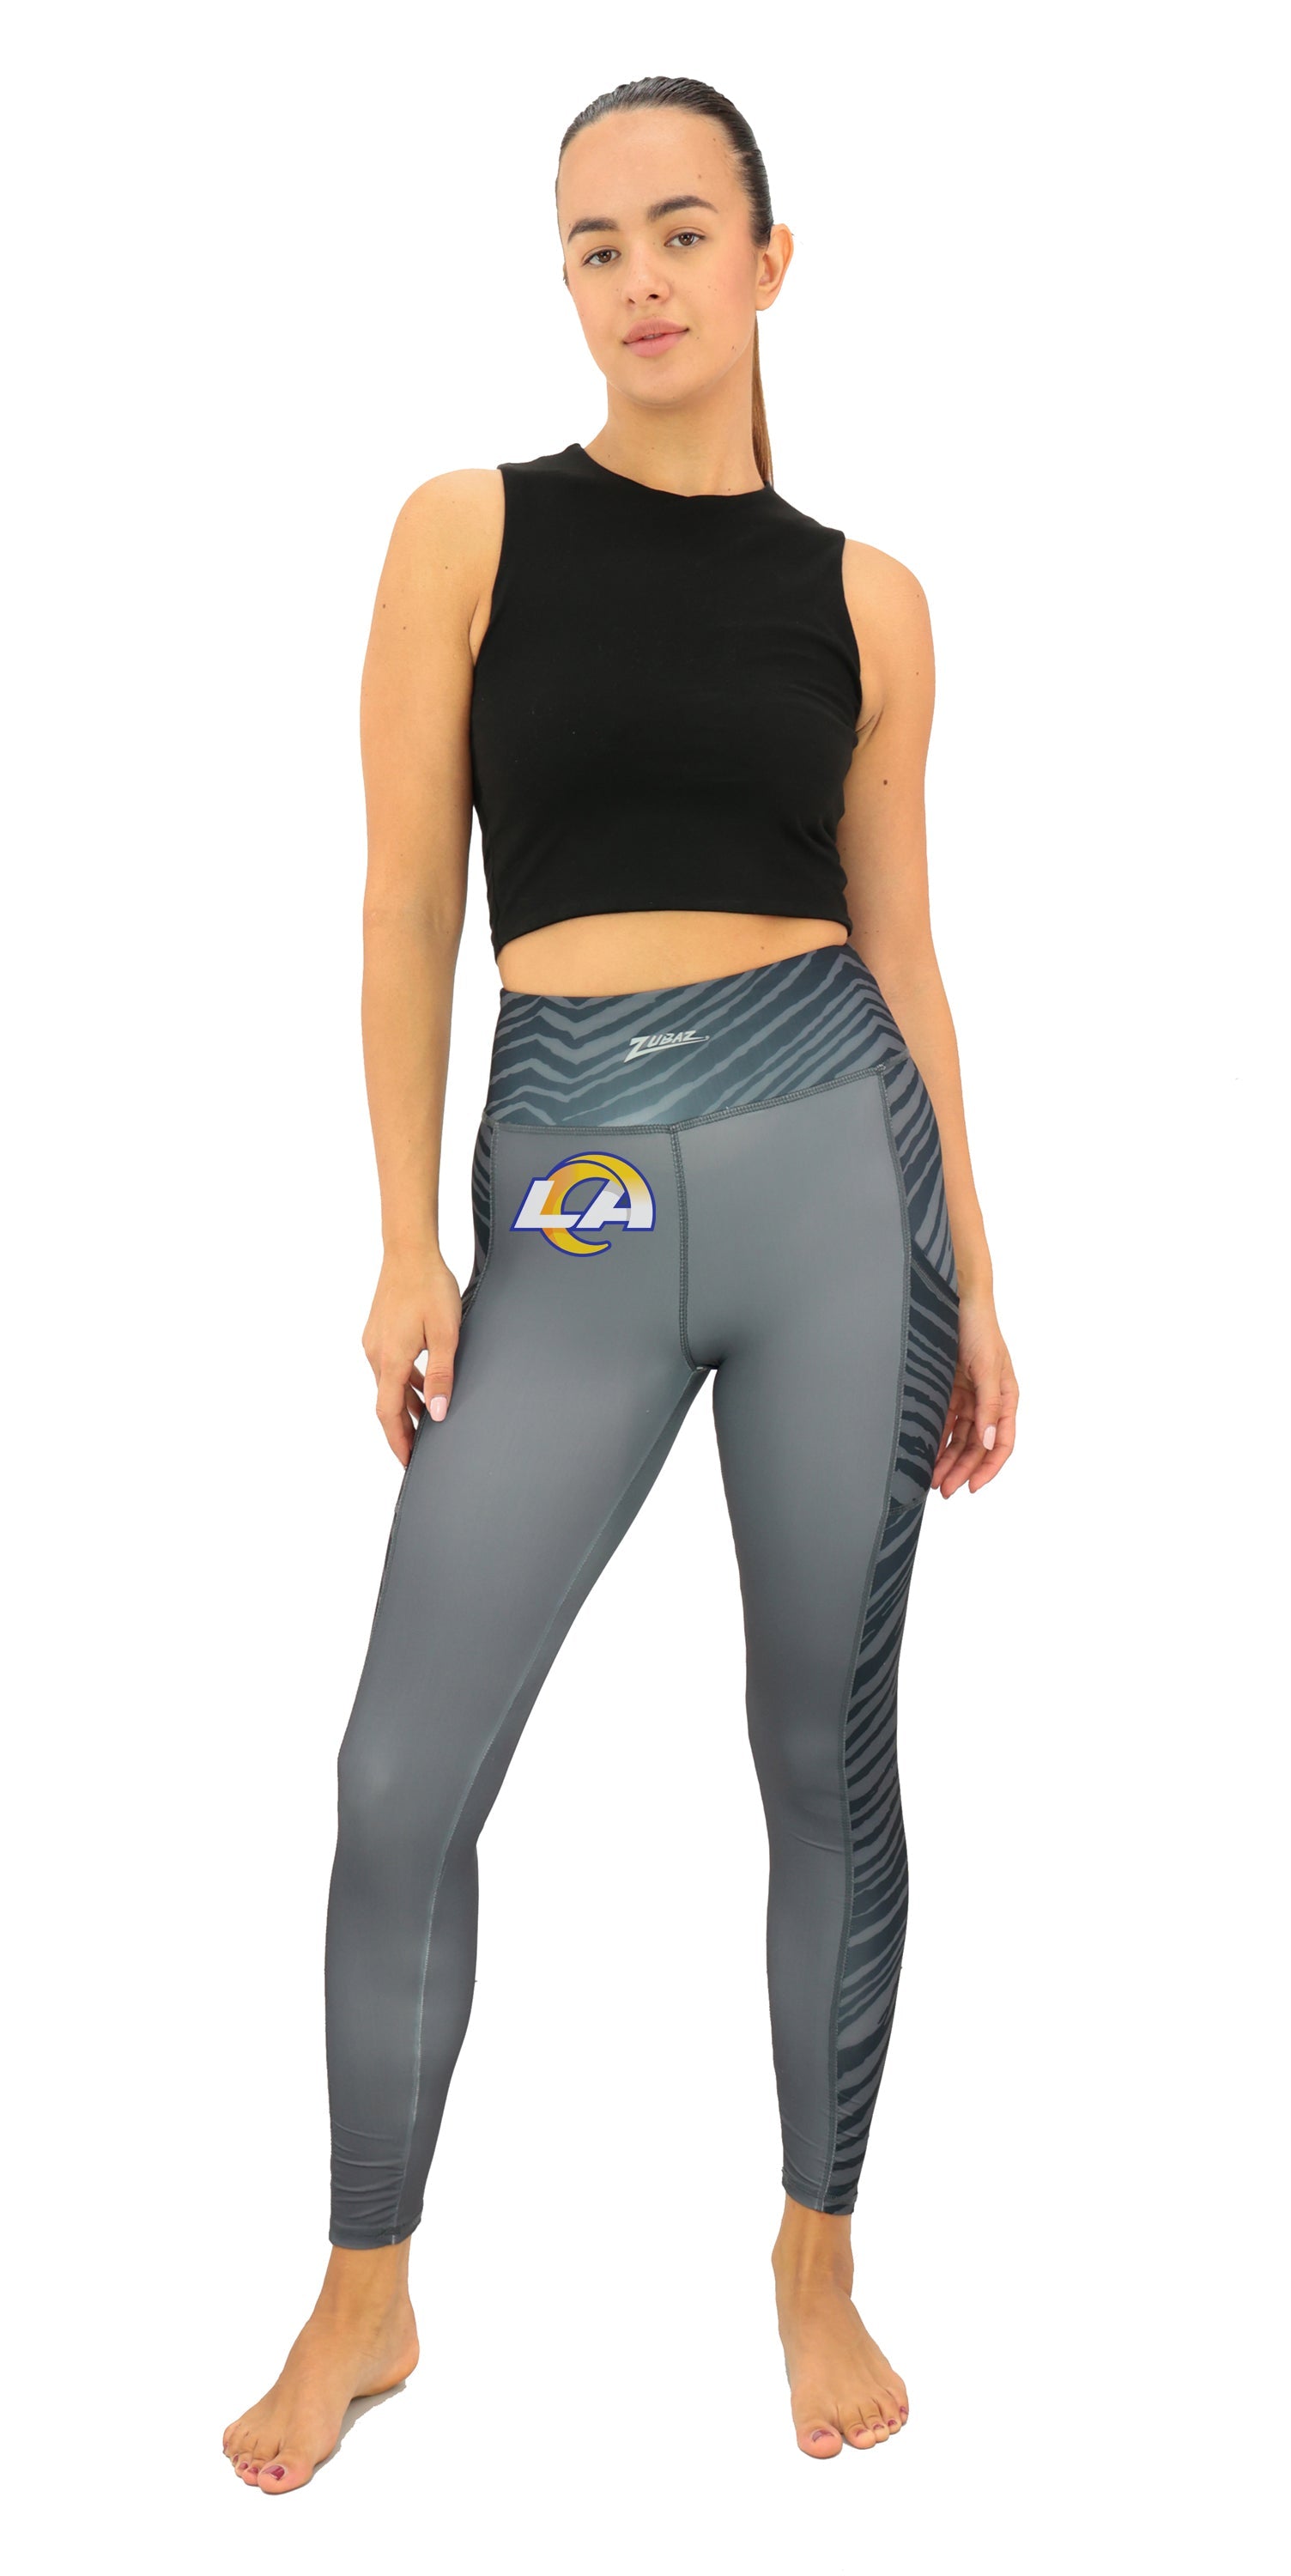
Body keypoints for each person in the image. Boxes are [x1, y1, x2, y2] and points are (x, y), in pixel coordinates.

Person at [223, 74, 1018, 2493]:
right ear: (564, 282)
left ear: (772, 261)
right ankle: (368, 2283)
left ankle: (816, 2250)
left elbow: (905, 946)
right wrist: (402, 1237)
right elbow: (403, 906)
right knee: (399, 1769)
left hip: (835, 1176)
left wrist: (976, 1277)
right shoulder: (464, 531)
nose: (641, 279)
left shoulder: (870, 600)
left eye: (683, 232)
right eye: (595, 245)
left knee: (822, 1747)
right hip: (564, 1189)